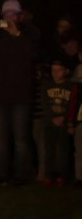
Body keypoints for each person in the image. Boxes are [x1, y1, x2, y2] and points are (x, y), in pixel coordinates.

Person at [0, 0, 38, 185]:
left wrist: (16, 34)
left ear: (19, 16)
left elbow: (33, 56)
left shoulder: (29, 34)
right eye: (6, 14)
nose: (9, 17)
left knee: (20, 138)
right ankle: (1, 174)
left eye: (12, 14)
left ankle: (21, 175)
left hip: (21, 95)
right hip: (0, 94)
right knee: (0, 138)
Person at [38, 56, 74, 186]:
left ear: (66, 71)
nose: (55, 73)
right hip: (50, 122)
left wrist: (64, 117)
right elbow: (45, 103)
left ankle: (63, 175)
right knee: (49, 149)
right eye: (53, 70)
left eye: (59, 70)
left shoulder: (70, 86)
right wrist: (52, 117)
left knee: (64, 149)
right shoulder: (47, 86)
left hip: (64, 122)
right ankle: (49, 174)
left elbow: (72, 103)